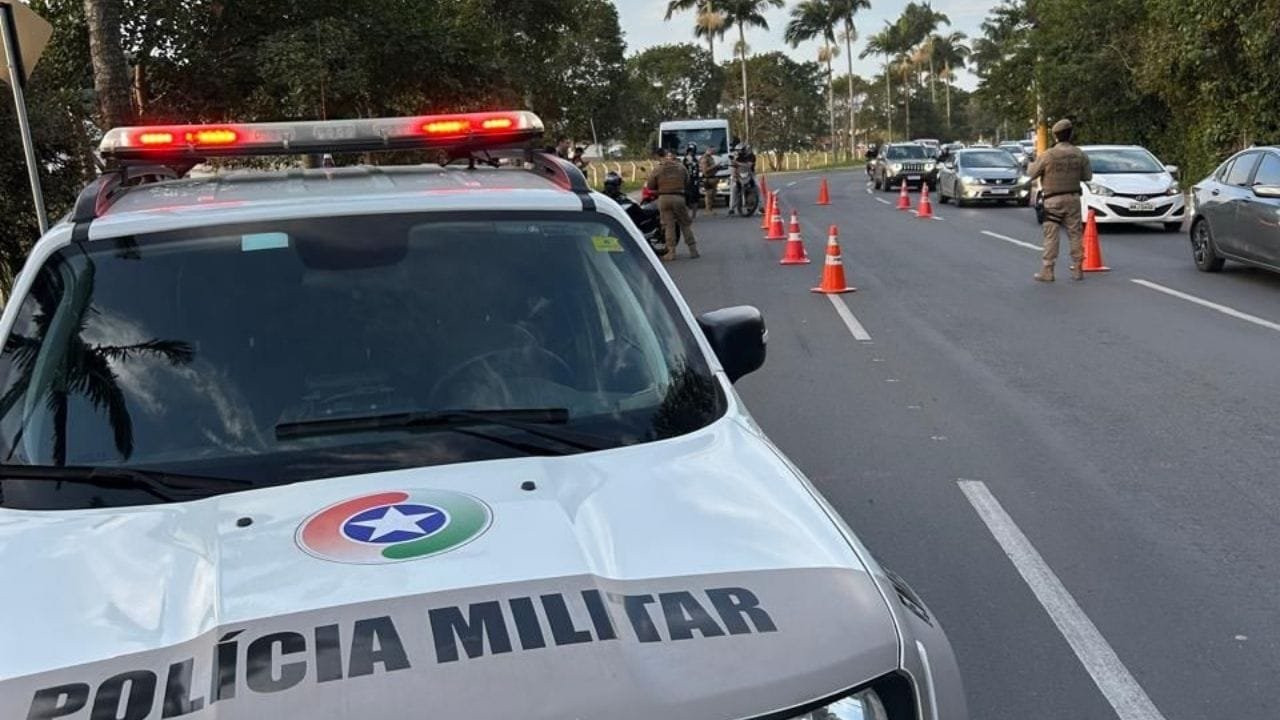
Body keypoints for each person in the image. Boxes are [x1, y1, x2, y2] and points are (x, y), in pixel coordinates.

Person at [1027, 118, 1093, 282]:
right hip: (1073, 199)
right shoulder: (1080, 154)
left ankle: (1048, 270)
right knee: (1075, 233)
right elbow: (1087, 176)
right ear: (1071, 134)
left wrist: (1030, 163)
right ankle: (1078, 269)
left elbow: (1031, 174)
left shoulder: (1048, 155)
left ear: (1055, 136)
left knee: (1051, 235)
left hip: (1052, 201)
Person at [644, 148, 699, 260]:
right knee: (685, 224)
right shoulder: (681, 167)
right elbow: (687, 181)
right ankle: (693, 250)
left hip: (664, 198)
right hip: (679, 197)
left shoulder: (658, 169)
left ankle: (671, 252)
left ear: (659, 156)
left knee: (669, 226)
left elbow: (650, 185)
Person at [699, 146, 719, 214]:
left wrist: (718, 168)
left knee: (713, 194)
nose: (713, 152)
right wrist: (715, 166)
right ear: (708, 150)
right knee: (709, 194)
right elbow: (705, 170)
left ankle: (710, 209)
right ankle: (708, 210)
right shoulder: (704, 159)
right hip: (707, 178)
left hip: (713, 178)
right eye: (712, 150)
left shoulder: (711, 158)